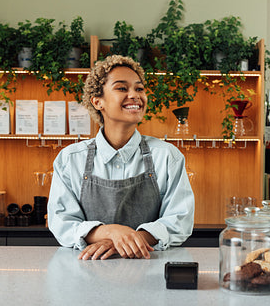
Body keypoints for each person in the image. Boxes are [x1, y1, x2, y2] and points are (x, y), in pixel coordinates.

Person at [48, 55, 194, 260]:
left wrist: (126, 241)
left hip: (150, 271)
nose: (134, 95)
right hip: (87, 271)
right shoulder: (70, 159)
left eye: (139, 88)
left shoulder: (167, 156)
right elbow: (62, 222)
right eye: (122, 88)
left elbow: (180, 220)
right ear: (98, 102)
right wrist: (111, 232)